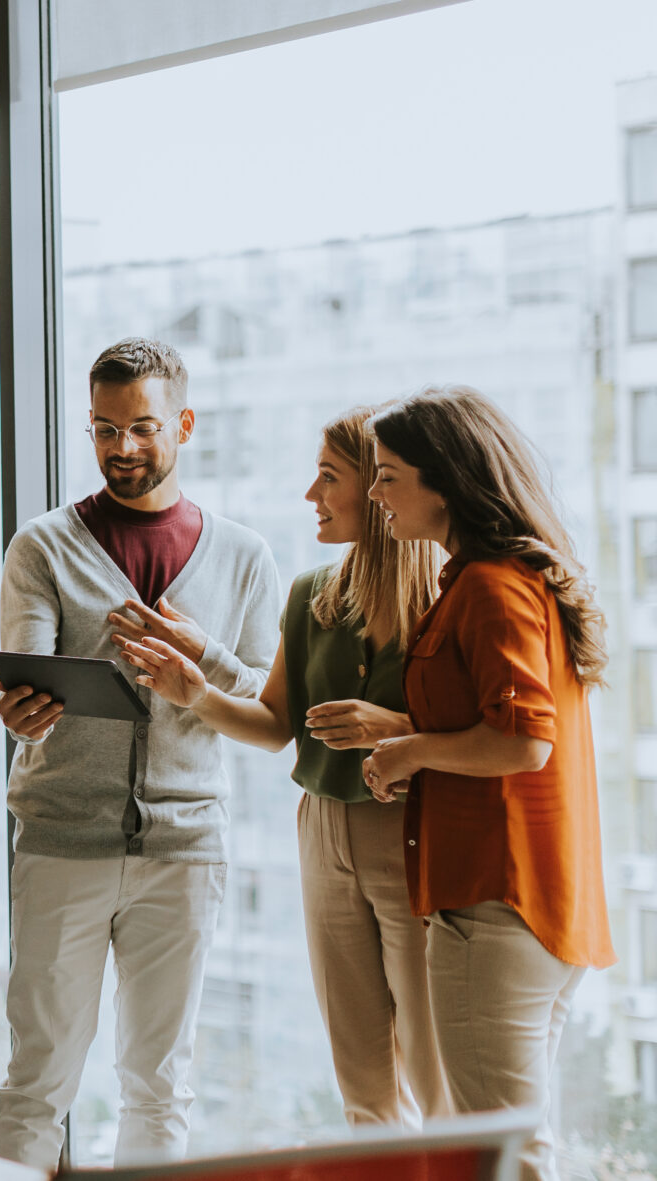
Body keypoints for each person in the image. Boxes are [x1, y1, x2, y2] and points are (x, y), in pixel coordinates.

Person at [114, 406, 451, 1128]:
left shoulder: (445, 601)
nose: (311, 495)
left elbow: (475, 733)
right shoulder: (311, 595)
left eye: (329, 477)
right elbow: (275, 727)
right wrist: (195, 692)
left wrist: (398, 729)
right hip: (324, 832)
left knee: (432, 1066)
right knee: (361, 1073)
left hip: (414, 833)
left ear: (377, 486)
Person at [0, 338, 280, 1171]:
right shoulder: (42, 546)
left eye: (142, 428)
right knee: (37, 1079)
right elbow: (26, 689)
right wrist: (24, 714)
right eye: (104, 429)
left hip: (185, 849)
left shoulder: (245, 556)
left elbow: (264, 704)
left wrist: (199, 655)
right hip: (59, 842)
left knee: (160, 1081)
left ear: (183, 424)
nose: (122, 448)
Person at [360, 386, 612, 1181]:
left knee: (496, 1155)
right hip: (527, 903)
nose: (376, 494)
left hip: (496, 903)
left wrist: (411, 753)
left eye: (389, 475)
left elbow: (523, 741)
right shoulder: (497, 578)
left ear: (446, 481)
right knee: (511, 1144)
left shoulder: (492, 586)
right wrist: (405, 735)